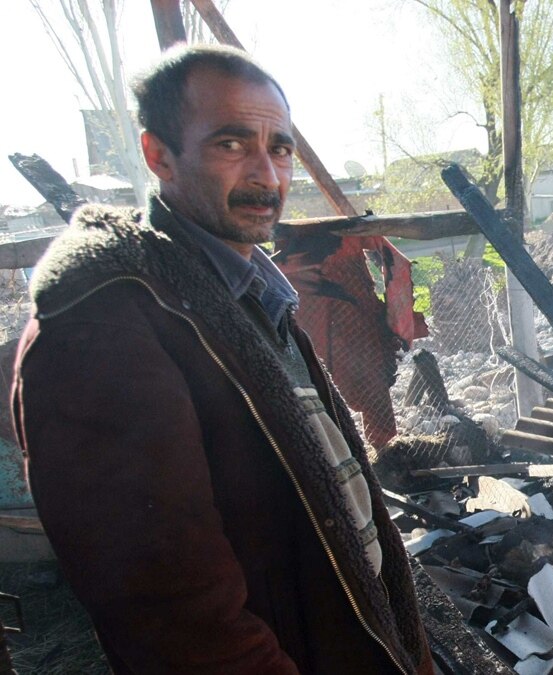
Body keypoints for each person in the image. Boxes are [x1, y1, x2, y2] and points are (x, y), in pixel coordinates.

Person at [11, 45, 433, 674]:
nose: (267, 175)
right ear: (160, 156)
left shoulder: (249, 295)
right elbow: (172, 617)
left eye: (280, 148)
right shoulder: (105, 327)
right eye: (232, 145)